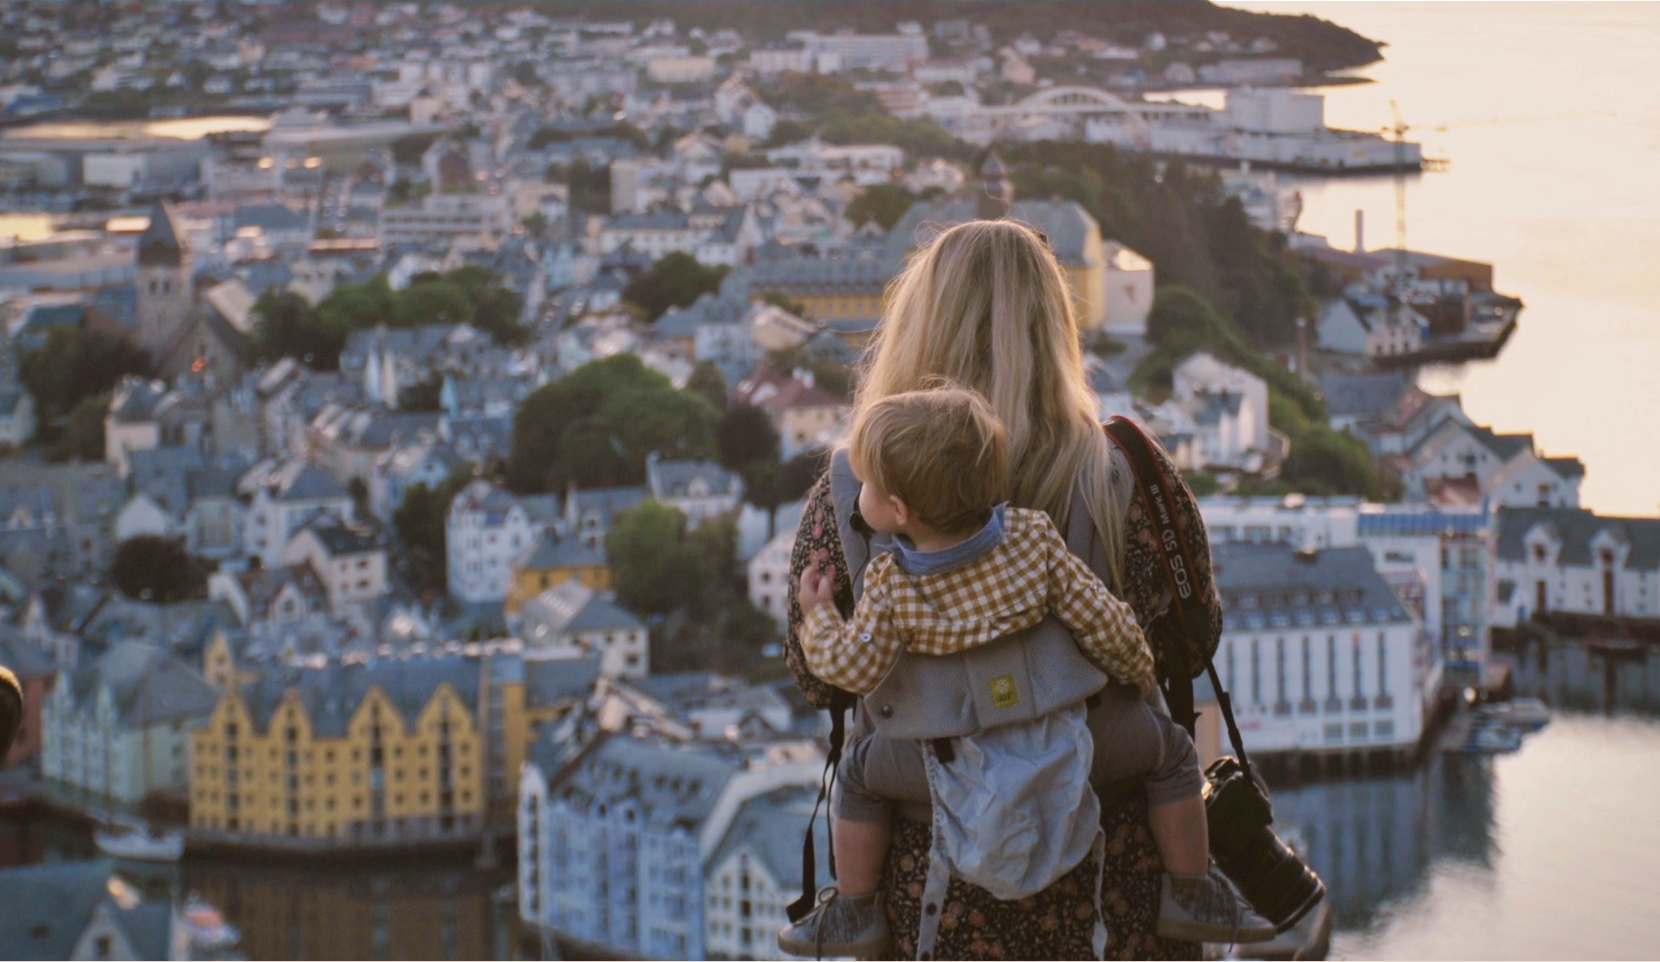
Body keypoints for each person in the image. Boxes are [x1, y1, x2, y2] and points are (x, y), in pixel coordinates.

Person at [782, 217, 1238, 961]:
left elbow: (818, 679)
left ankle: (850, 908)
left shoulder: (854, 492)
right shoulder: (1123, 472)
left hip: (932, 885)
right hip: (1110, 879)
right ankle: (1197, 892)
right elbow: (1191, 643)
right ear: (1053, 328)